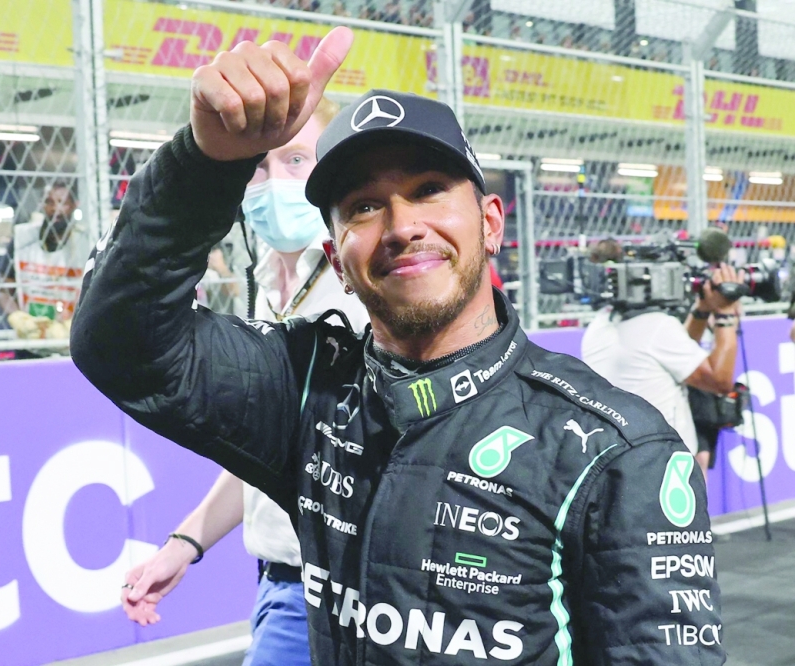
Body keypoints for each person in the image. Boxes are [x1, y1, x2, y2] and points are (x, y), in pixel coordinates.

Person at [72, 28, 723, 664]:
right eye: (362, 206)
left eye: (429, 190)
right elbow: (118, 344)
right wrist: (207, 162)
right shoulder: (307, 390)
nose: (402, 225)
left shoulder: (617, 449)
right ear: (336, 256)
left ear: (490, 222)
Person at [121, 98, 368, 666]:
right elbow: (269, 445)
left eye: (298, 160)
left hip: (344, 591)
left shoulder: (362, 285)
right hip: (280, 582)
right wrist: (186, 543)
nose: (276, 180)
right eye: (260, 165)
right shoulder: (261, 283)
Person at [581, 238, 743, 477]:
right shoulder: (657, 327)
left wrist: (701, 310)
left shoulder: (600, 324)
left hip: (622, 462)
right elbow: (720, 382)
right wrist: (725, 314)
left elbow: (679, 355)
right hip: (661, 468)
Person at [0, 183, 92, 342]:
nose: (55, 209)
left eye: (62, 202)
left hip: (74, 342)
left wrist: (78, 322)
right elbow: (3, 292)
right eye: (49, 202)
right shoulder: (22, 241)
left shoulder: (87, 243)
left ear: (74, 206)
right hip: (31, 341)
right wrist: (18, 318)